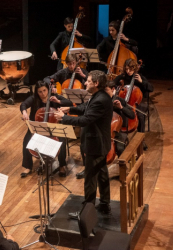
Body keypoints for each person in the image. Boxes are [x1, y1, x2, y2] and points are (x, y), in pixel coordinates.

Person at [54, 70, 113, 218]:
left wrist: (64, 118)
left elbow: (85, 120)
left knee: (90, 178)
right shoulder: (99, 96)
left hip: (96, 144)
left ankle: (87, 211)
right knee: (102, 174)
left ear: (96, 83)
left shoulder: (100, 100)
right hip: (100, 142)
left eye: (88, 80)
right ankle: (105, 204)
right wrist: (71, 108)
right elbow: (85, 108)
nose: (85, 82)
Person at [76, 80, 135, 179]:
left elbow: (132, 115)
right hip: (98, 130)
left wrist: (121, 107)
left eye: (106, 90)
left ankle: (123, 171)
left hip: (114, 131)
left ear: (113, 90)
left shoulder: (120, 101)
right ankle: (87, 168)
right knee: (84, 143)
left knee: (120, 148)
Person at [20, 81, 73, 177]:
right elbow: (23, 104)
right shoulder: (34, 99)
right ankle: (27, 166)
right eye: (40, 92)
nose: (43, 94)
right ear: (37, 92)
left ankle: (62, 165)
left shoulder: (54, 97)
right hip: (37, 127)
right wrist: (24, 112)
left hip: (53, 127)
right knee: (26, 140)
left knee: (61, 140)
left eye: (44, 90)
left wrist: (58, 101)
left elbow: (69, 103)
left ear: (48, 90)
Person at [113, 58, 153, 141]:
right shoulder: (122, 77)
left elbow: (151, 88)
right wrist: (115, 89)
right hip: (124, 102)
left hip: (137, 102)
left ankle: (141, 140)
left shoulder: (139, 77)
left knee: (141, 116)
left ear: (134, 68)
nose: (128, 71)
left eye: (130, 69)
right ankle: (119, 136)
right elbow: (112, 84)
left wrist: (142, 82)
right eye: (126, 69)